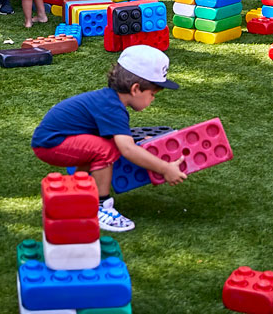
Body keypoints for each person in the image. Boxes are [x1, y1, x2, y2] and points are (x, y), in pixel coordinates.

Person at [31, 45, 186, 232]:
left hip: (55, 139)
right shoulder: (112, 107)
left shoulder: (109, 100)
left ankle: (78, 192)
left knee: (105, 145)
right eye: (152, 94)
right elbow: (127, 149)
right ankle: (100, 206)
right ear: (136, 89)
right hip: (51, 143)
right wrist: (165, 168)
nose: (152, 99)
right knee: (105, 149)